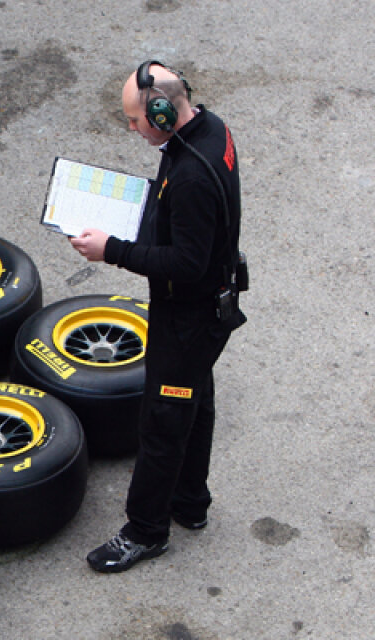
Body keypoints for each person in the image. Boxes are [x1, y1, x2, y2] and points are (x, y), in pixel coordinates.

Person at [70, 60, 244, 573]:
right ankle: (190, 502)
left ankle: (146, 530)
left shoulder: (190, 176)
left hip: (187, 317)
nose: (132, 128)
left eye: (135, 120)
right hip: (209, 308)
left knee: (163, 422)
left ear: (165, 112)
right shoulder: (209, 130)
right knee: (196, 399)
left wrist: (113, 249)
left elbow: (187, 264)